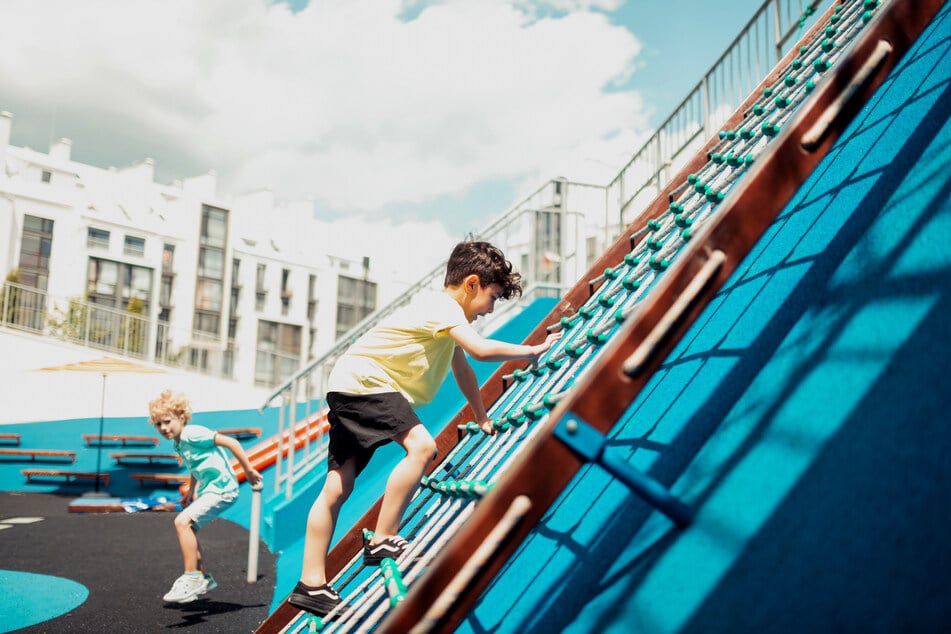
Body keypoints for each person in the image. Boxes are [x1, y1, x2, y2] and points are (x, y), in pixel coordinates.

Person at [288, 240, 562, 616]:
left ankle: (310, 584)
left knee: (338, 485)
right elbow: (480, 351)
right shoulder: (443, 308)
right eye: (492, 297)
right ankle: (383, 538)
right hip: (368, 382)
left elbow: (464, 368)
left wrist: (480, 414)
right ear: (470, 284)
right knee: (421, 446)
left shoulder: (444, 320)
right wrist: (531, 351)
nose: (491, 308)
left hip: (347, 385)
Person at [148, 389, 263, 604]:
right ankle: (203, 578)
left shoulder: (192, 433)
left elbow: (232, 443)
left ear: (180, 417)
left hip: (223, 489)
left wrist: (247, 471)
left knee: (182, 522)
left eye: (167, 421)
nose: (163, 428)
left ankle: (191, 577)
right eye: (158, 424)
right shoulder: (179, 442)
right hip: (209, 490)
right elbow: (194, 466)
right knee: (188, 528)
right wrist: (191, 491)